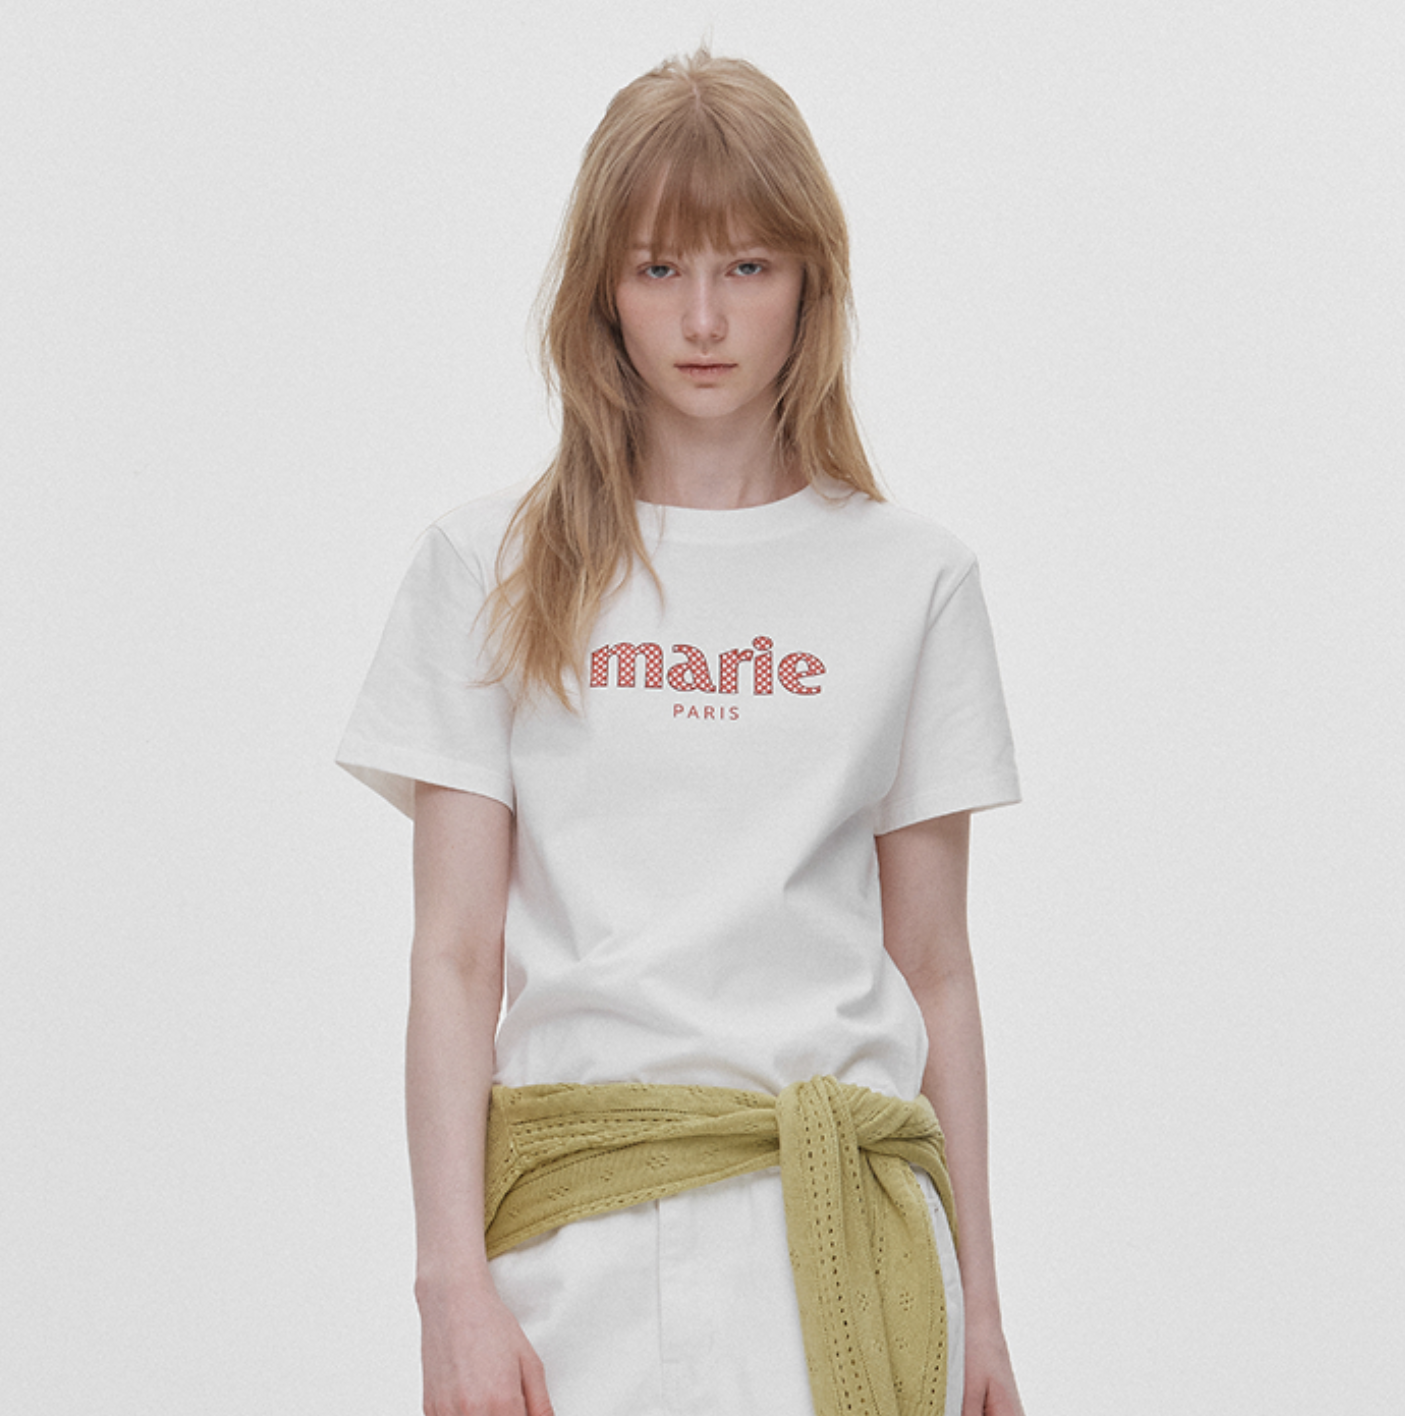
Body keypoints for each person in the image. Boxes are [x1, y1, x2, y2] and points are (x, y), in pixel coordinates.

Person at [338, 48, 1027, 1416]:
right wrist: (450, 1284)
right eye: (659, 268)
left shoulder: (915, 580)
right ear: (601, 288)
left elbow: (937, 969)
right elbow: (455, 955)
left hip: (850, 1243)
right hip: (575, 1243)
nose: (704, 319)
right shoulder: (489, 566)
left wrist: (985, 1311)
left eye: (748, 267)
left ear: (811, 282)